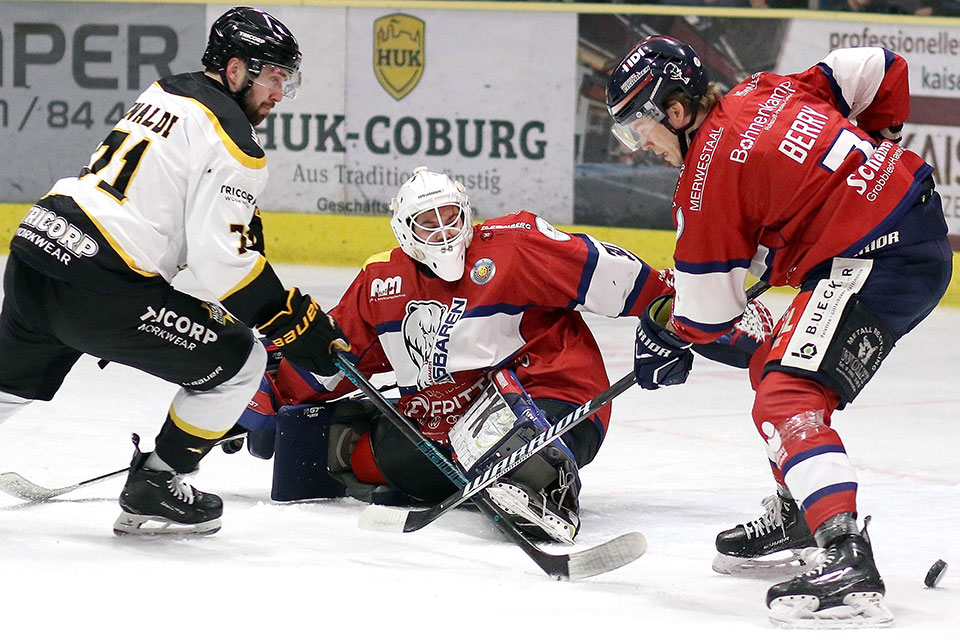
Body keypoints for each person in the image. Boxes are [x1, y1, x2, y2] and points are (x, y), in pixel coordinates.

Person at [606, 36, 951, 626]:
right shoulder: (763, 90)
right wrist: (881, 147)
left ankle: (846, 560)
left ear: (677, 111)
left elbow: (708, 316)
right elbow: (879, 65)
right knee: (776, 364)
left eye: (641, 128)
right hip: (906, 232)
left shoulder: (704, 182)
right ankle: (801, 511)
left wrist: (666, 336)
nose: (642, 147)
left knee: (787, 393)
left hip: (878, 259)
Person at [244, 166, 770, 544]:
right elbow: (333, 354)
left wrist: (693, 322)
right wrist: (266, 395)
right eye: (428, 224)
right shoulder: (381, 283)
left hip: (553, 400)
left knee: (512, 439)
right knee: (378, 452)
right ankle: (491, 479)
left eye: (451, 217)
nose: (444, 232)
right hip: (445, 429)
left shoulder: (517, 247)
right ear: (405, 234)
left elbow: (626, 280)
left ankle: (543, 480)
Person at [0, 6, 347, 536]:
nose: (279, 93)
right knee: (238, 362)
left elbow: (172, 225)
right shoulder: (234, 139)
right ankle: (158, 482)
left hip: (41, 244)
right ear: (235, 70)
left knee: (9, 385)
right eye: (274, 77)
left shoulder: (167, 91)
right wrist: (291, 322)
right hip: (99, 280)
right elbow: (220, 261)